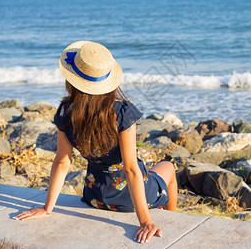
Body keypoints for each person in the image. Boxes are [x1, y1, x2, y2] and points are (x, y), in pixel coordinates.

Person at [14, 41, 177, 244]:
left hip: (95, 197)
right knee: (168, 167)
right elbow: (130, 170)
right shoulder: (121, 112)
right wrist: (144, 221)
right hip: (129, 202)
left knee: (149, 170)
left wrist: (48, 209)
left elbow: (62, 162)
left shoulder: (66, 112)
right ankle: (174, 217)